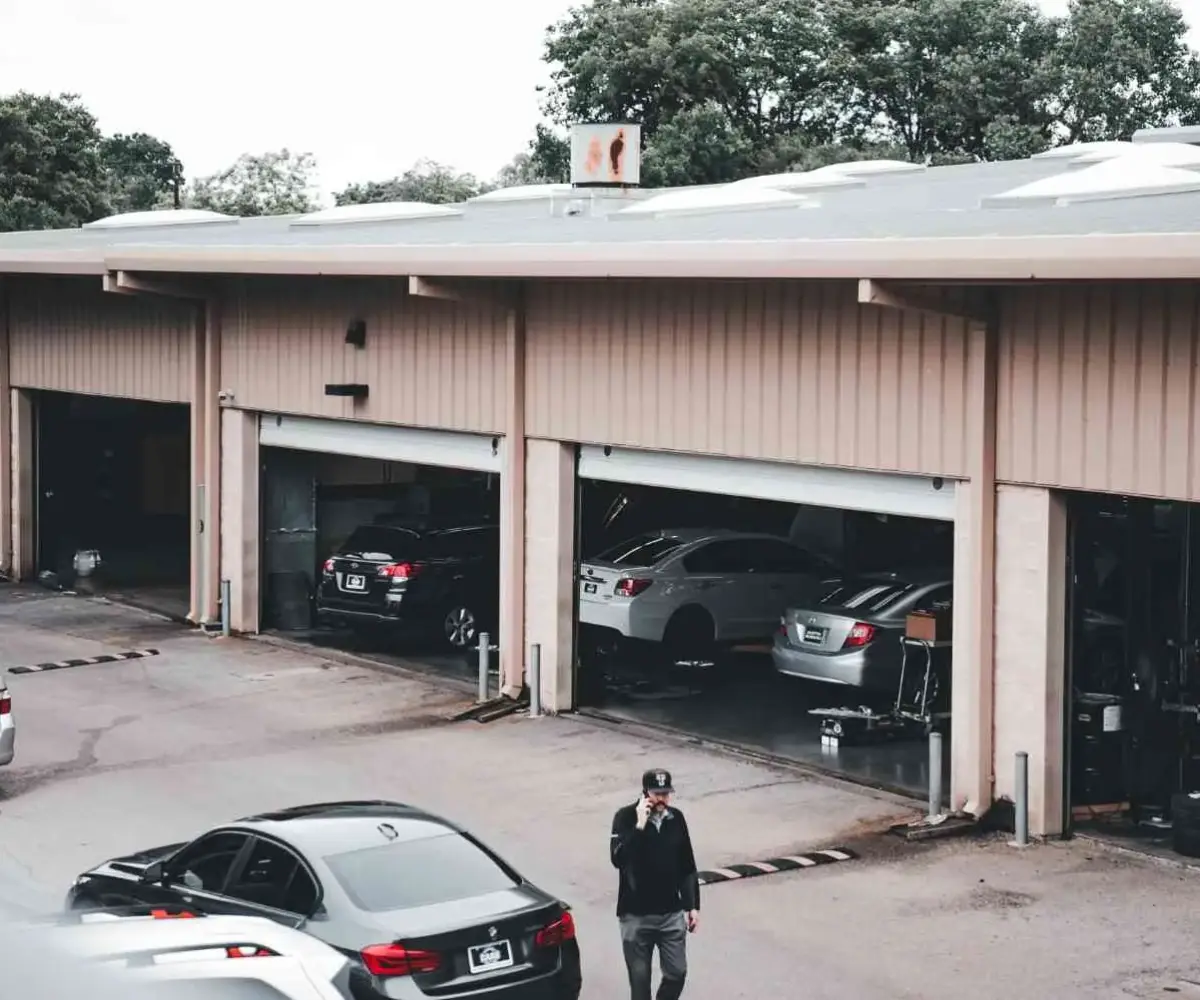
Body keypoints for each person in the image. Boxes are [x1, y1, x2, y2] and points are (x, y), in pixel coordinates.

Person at [609, 768, 700, 1000]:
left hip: (670, 914)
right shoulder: (625, 818)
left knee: (677, 973)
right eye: (657, 793)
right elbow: (618, 859)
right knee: (640, 986)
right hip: (636, 917)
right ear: (645, 792)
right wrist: (639, 825)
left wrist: (692, 905)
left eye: (666, 793)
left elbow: (687, 865)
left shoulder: (676, 818)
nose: (662, 799)